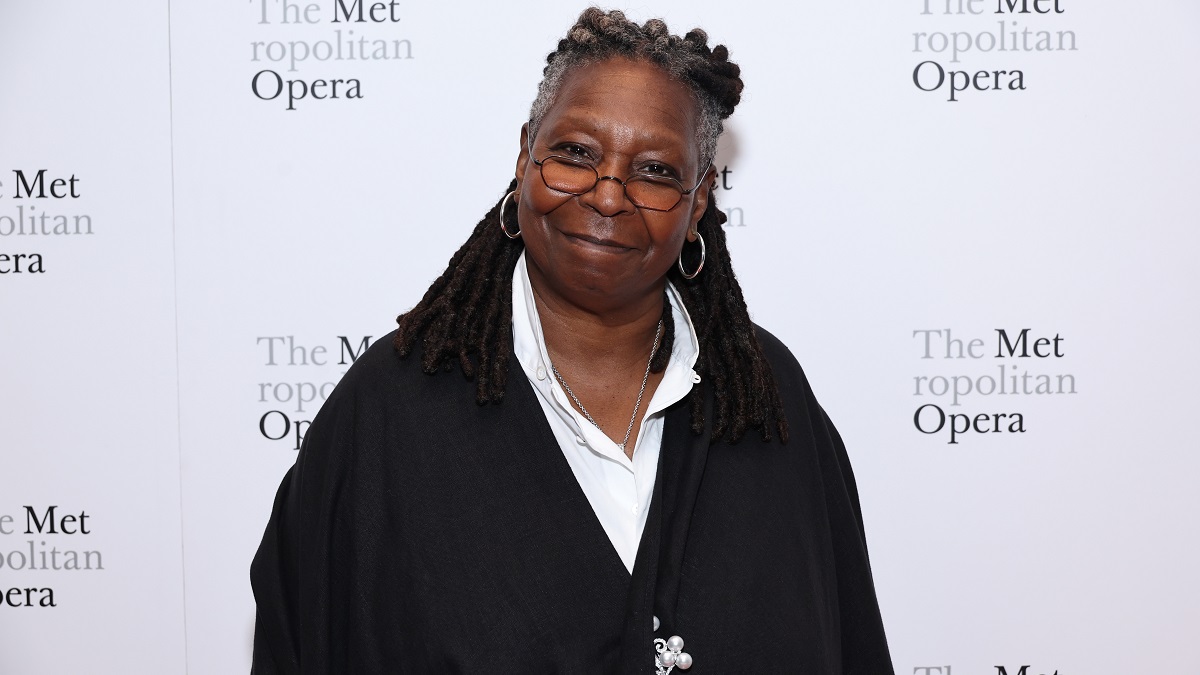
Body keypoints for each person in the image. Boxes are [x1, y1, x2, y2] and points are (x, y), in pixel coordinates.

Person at [251, 8, 893, 674]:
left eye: (654, 171)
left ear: (698, 200)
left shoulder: (767, 399)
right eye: (576, 153)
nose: (609, 196)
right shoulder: (386, 414)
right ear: (526, 153)